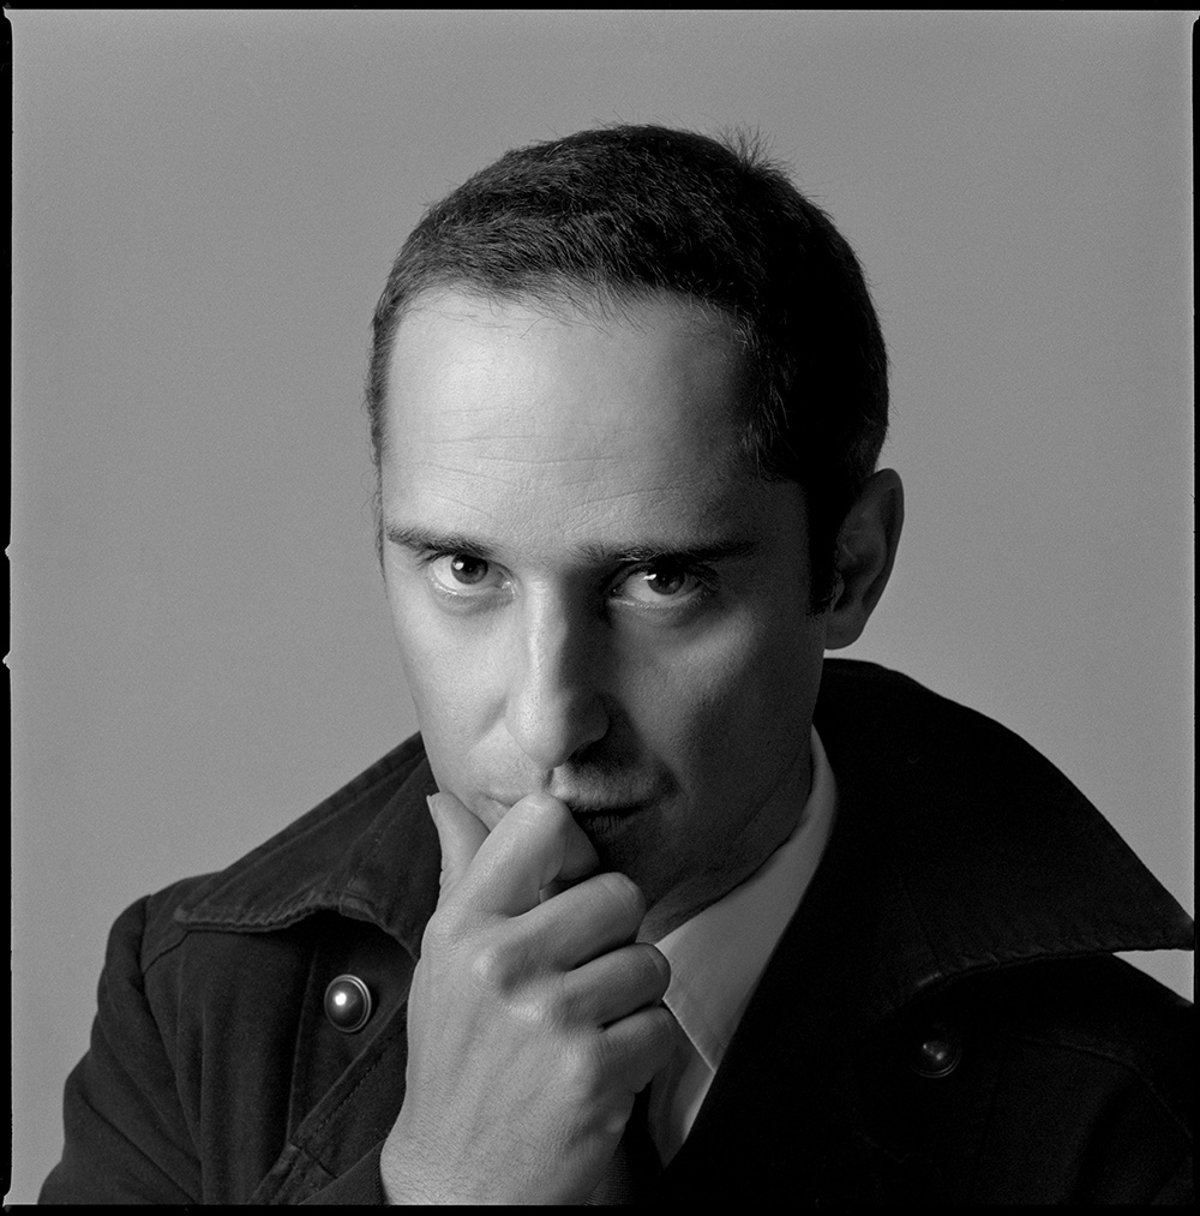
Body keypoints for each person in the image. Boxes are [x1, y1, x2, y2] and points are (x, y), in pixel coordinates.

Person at [40, 124, 1192, 1206]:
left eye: (660, 580)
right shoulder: (192, 1006)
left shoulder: (1134, 1113)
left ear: (848, 568)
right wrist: (444, 1185)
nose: (550, 721)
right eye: (465, 568)